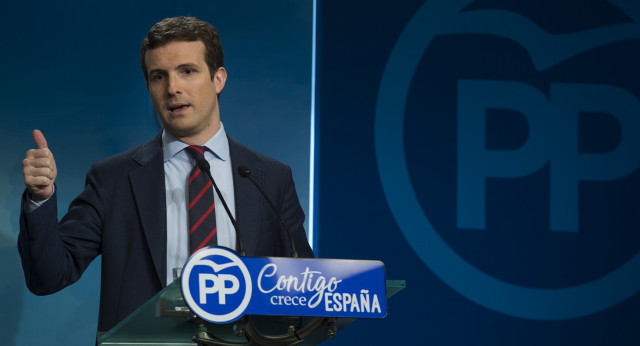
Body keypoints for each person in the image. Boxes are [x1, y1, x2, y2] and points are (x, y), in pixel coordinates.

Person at [18, 16, 313, 335]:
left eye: (187, 71)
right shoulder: (112, 179)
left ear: (218, 79)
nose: (173, 88)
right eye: (159, 76)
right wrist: (41, 197)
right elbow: (47, 277)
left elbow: (304, 295)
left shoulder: (269, 178)